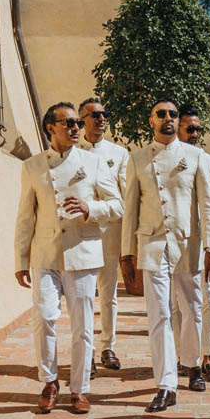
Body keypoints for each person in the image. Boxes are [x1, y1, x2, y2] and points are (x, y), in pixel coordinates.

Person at [14, 102, 124, 414]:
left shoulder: (92, 162)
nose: (76, 128)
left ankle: (79, 389)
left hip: (82, 253)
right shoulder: (33, 166)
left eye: (77, 122)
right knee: (45, 317)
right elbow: (25, 218)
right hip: (45, 254)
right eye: (68, 123)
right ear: (51, 128)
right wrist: (21, 260)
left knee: (82, 325)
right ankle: (49, 381)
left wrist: (91, 209)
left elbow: (117, 205)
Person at [120, 99, 210, 412]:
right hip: (151, 245)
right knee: (159, 314)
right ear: (151, 121)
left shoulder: (196, 156)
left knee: (191, 310)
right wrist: (126, 253)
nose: (168, 118)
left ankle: (191, 363)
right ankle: (166, 384)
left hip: (187, 244)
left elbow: (207, 206)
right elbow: (130, 208)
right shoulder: (137, 159)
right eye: (161, 114)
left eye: (173, 115)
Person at [170, 105, 210, 386]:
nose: (194, 133)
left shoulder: (206, 160)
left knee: (208, 301)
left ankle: (208, 357)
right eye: (189, 128)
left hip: (204, 243)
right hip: (175, 242)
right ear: (178, 127)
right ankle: (183, 356)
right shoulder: (166, 157)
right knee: (178, 306)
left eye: (198, 129)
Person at [77, 98, 129, 371]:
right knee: (83, 294)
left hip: (109, 231)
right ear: (82, 118)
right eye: (95, 115)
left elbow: (124, 197)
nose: (101, 119)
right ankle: (86, 352)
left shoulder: (119, 153)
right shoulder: (72, 150)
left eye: (104, 114)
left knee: (108, 293)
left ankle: (107, 346)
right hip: (80, 233)